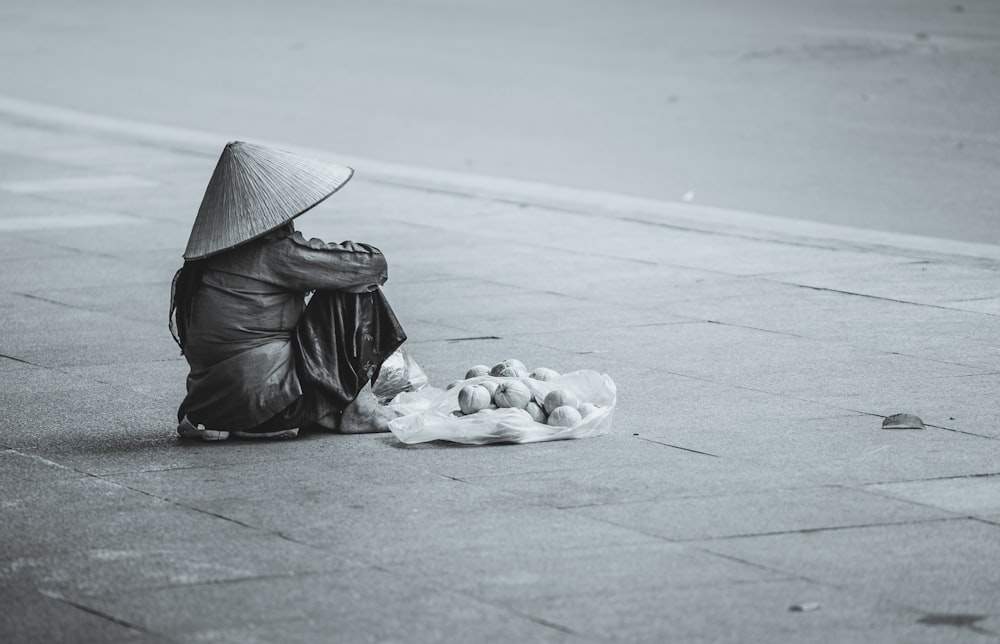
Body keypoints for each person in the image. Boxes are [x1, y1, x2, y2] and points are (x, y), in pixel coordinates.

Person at [169, 141, 407, 441]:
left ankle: (331, 409)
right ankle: (360, 409)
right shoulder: (272, 252)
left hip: (212, 407)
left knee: (338, 280)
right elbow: (371, 264)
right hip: (264, 405)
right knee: (356, 290)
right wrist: (305, 249)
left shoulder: (203, 262)